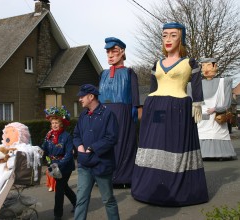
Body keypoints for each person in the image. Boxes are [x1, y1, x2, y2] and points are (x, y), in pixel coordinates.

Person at [131, 22, 208, 206]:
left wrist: (197, 102)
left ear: (181, 38)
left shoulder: (190, 62)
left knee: (175, 145)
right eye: (165, 35)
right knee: (155, 143)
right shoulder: (156, 63)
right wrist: (146, 107)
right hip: (156, 107)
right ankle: (151, 186)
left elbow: (196, 85)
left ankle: (177, 189)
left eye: (173, 35)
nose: (168, 39)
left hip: (178, 108)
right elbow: (152, 88)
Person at [73, 84, 120, 220]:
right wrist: (80, 147)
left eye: (82, 96)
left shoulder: (108, 114)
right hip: (84, 164)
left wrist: (92, 147)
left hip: (102, 164)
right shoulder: (83, 115)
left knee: (108, 200)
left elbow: (112, 138)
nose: (80, 99)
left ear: (91, 96)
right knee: (81, 199)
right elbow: (76, 135)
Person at [99, 37, 140, 187]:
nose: (110, 55)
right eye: (108, 52)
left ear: (122, 52)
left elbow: (135, 94)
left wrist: (134, 107)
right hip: (104, 111)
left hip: (123, 111)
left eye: (114, 51)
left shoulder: (129, 73)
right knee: (105, 142)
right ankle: (105, 174)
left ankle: (124, 176)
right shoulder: (103, 74)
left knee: (123, 141)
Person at [197, 58, 236, 159]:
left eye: (209, 65)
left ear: (215, 67)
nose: (205, 68)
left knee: (216, 131)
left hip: (216, 117)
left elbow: (227, 103)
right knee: (202, 132)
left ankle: (220, 153)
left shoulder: (224, 82)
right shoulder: (196, 85)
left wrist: (216, 109)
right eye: (203, 66)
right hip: (203, 118)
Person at [42, 106, 76, 220]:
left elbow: (69, 154)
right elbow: (45, 151)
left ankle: (58, 215)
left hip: (65, 166)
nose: (55, 125)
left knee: (59, 189)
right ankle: (77, 203)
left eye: (57, 122)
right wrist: (48, 163)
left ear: (61, 124)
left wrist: (59, 165)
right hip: (53, 166)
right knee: (64, 187)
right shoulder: (48, 136)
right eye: (53, 123)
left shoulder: (66, 136)